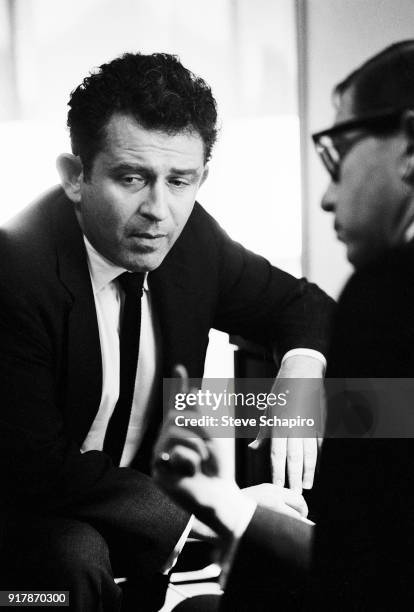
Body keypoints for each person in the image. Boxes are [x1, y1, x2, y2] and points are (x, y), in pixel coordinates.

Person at [0, 52, 333, 611]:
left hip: (141, 523)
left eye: (181, 180)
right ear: (75, 176)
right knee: (72, 556)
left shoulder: (191, 237)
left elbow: (300, 303)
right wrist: (216, 509)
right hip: (29, 525)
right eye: (132, 178)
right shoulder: (16, 270)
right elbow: (39, 469)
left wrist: (301, 367)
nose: (160, 209)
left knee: (376, 411)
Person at [154, 40, 414, 611]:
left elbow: (360, 574)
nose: (327, 196)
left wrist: (230, 507)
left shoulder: (388, 297)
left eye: (339, 152)